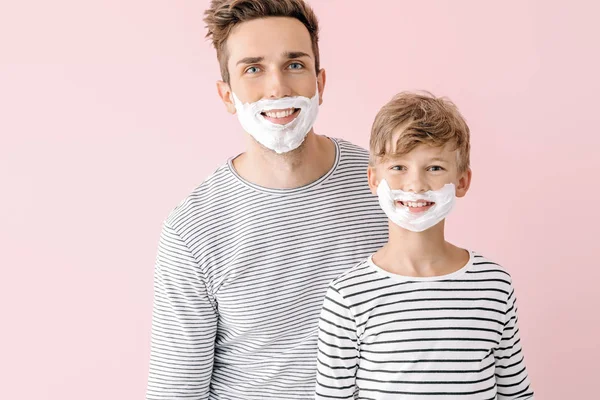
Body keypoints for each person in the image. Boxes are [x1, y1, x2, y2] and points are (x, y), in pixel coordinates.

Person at [146, 1, 388, 398]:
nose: (277, 87)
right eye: (253, 69)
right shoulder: (192, 230)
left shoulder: (386, 188)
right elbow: (176, 392)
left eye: (294, 64)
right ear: (227, 95)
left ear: (320, 83)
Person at [315, 92, 534, 399]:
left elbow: (516, 393)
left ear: (462, 181)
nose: (415, 185)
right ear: (373, 180)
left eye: (434, 168)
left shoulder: (494, 285)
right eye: (398, 168)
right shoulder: (347, 296)